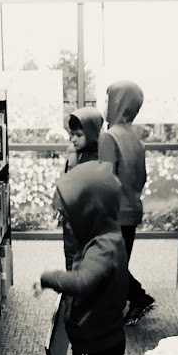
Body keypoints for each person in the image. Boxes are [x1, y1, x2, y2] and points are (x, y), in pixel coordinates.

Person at [34, 160, 128, 355]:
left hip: (95, 343)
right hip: (104, 335)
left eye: (70, 217)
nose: (67, 224)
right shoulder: (107, 237)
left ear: (90, 210)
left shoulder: (103, 247)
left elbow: (83, 282)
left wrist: (49, 277)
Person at [98, 79, 155, 326]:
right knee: (118, 262)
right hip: (132, 209)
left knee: (110, 265)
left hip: (113, 212)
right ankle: (126, 303)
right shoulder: (135, 137)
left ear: (117, 103)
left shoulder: (109, 137)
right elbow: (142, 175)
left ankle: (140, 298)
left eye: (109, 99)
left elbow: (104, 179)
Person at [55, 106, 105, 270]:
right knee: (70, 254)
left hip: (90, 218)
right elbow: (66, 178)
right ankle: (71, 290)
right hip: (71, 216)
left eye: (79, 135)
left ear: (91, 133)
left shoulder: (101, 155)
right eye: (72, 134)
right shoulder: (73, 152)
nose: (73, 139)